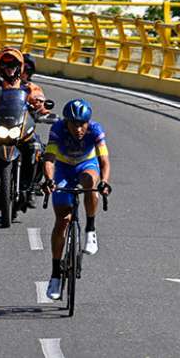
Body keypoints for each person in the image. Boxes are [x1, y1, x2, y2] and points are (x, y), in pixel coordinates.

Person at [42, 98, 112, 300]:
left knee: (91, 181)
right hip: (63, 168)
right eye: (74, 123)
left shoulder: (95, 130)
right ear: (67, 122)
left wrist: (105, 182)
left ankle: (90, 228)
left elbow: (104, 160)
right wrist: (49, 180)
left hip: (85, 164)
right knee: (62, 220)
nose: (79, 128)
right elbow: (49, 158)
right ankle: (55, 275)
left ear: (88, 122)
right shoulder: (58, 129)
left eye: (82, 123)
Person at [0, 47, 51, 208]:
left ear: (20, 67)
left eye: (13, 64)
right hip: (0, 129)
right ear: (0, 68)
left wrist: (44, 110)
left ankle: (32, 187)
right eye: (5, 65)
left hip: (22, 129)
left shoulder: (30, 88)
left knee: (37, 148)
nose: (9, 69)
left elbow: (39, 101)